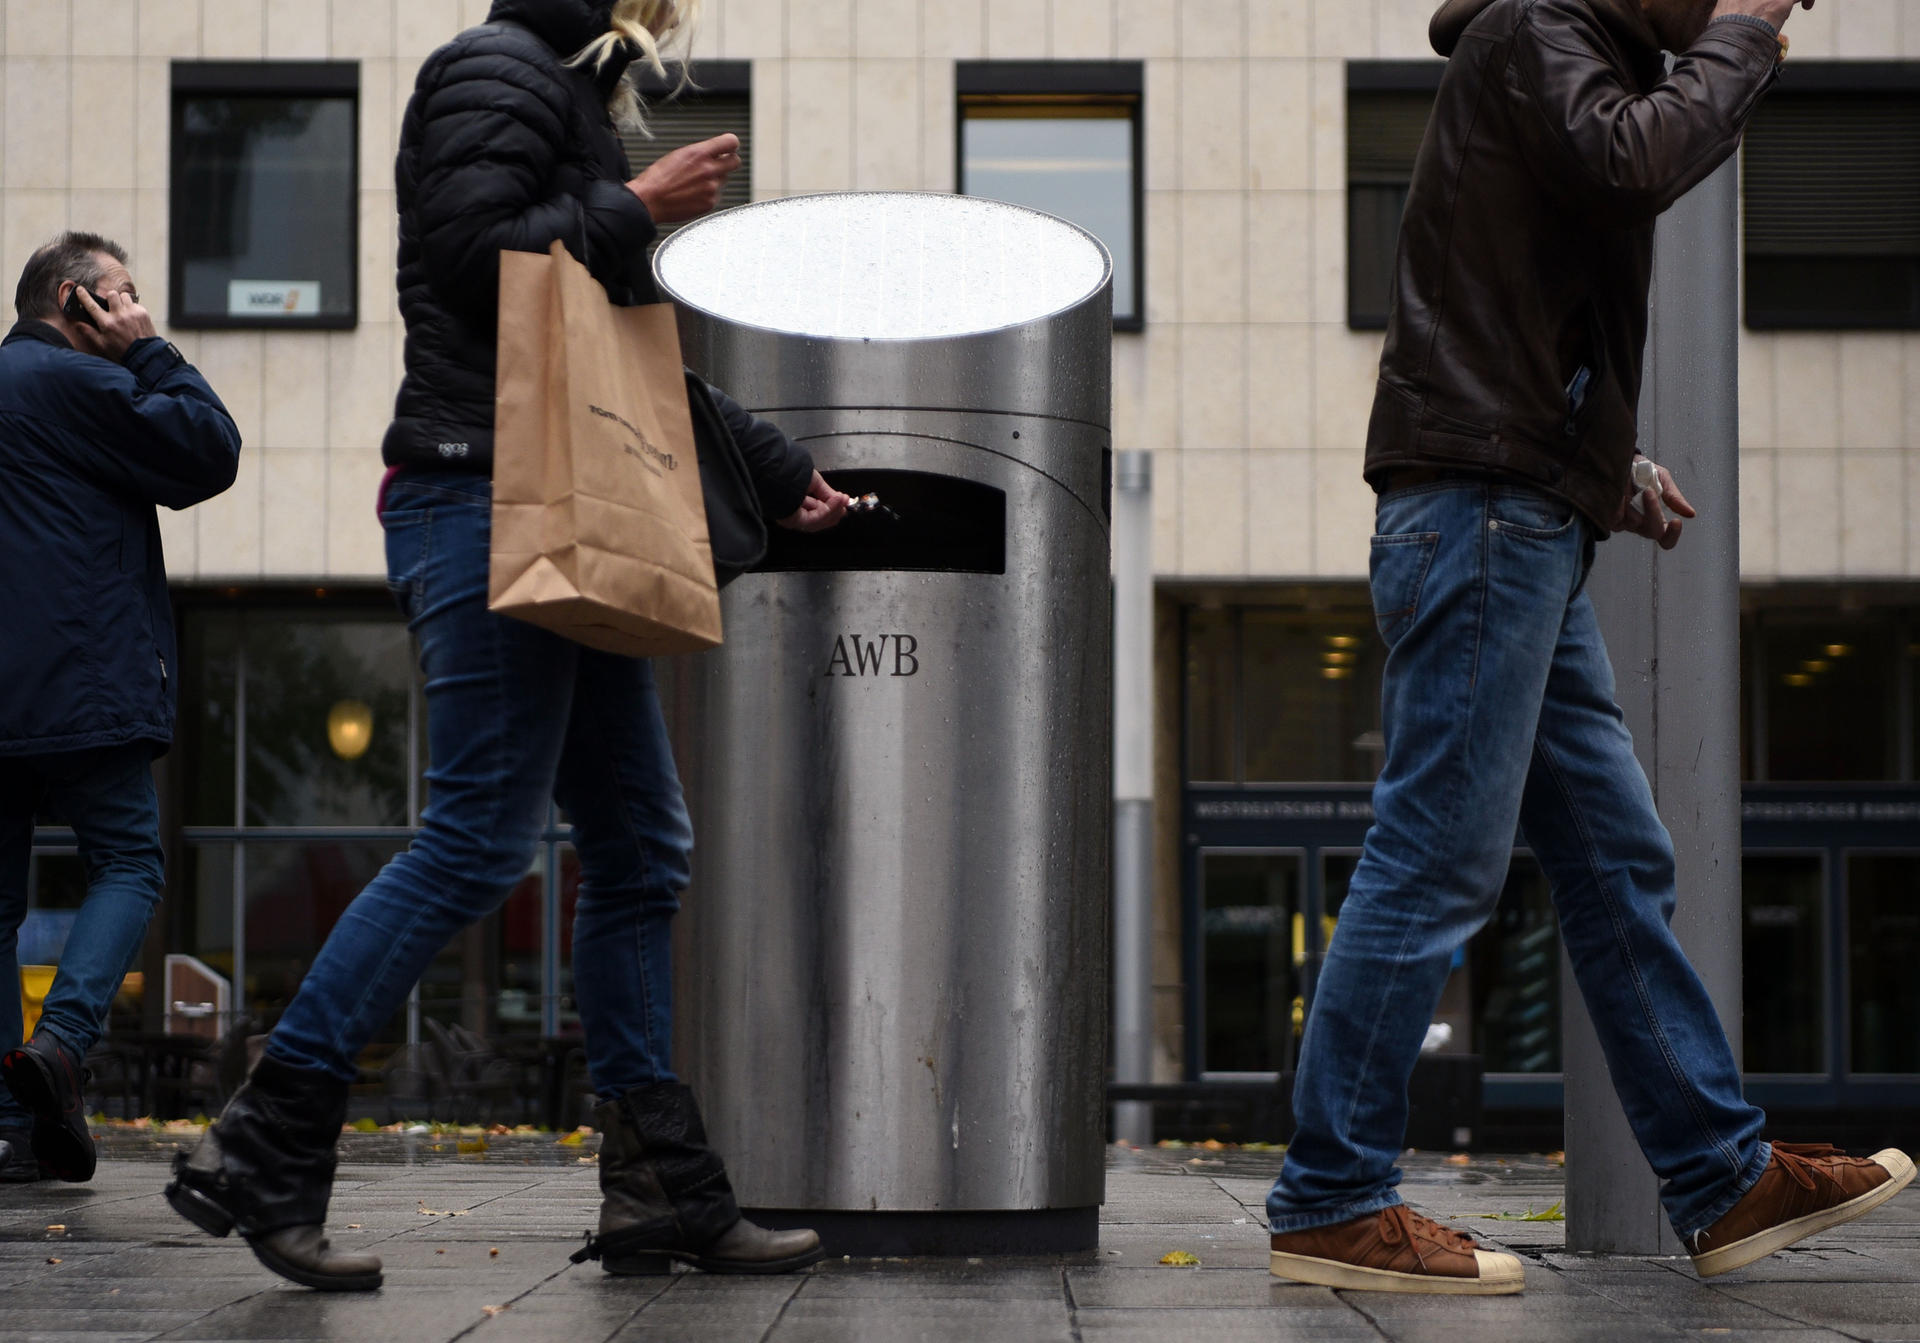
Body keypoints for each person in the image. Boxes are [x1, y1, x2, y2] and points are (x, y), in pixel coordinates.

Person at [165, 0, 848, 1292]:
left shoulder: (562, 94)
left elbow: (610, 354)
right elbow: (479, 258)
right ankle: (262, 1139)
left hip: (554, 501)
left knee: (642, 843)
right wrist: (637, 205)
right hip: (481, 500)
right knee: (480, 832)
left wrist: (771, 464)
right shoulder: (493, 68)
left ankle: (661, 1186)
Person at [1265, 0, 1914, 1295]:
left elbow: (1508, 308)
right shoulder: (1533, 30)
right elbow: (1635, 160)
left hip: (1526, 513)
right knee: (1437, 852)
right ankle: (1333, 1196)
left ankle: (1720, 1175)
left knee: (1616, 856)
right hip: (1489, 517)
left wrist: (1600, 464)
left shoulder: (1559, 52)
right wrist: (1738, 41)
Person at [0, 233, 242, 1184]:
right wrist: (151, 350)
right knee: (131, 861)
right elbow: (208, 450)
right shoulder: (73, 382)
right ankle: (58, 1050)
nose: (136, 309)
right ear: (76, 301)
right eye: (123, 297)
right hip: (84, 680)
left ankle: (12, 1128)